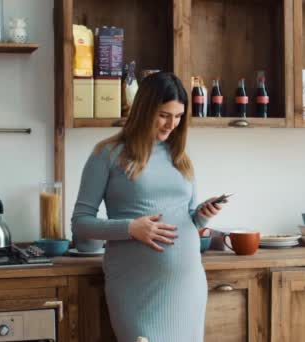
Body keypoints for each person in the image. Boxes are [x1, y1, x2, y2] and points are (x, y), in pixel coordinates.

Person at [71, 72, 225, 341]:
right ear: (145, 108)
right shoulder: (106, 154)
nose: (171, 124)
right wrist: (131, 228)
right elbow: (80, 223)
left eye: (178, 117)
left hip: (187, 287)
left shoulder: (180, 157)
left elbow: (188, 218)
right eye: (165, 115)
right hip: (135, 289)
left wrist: (201, 216)